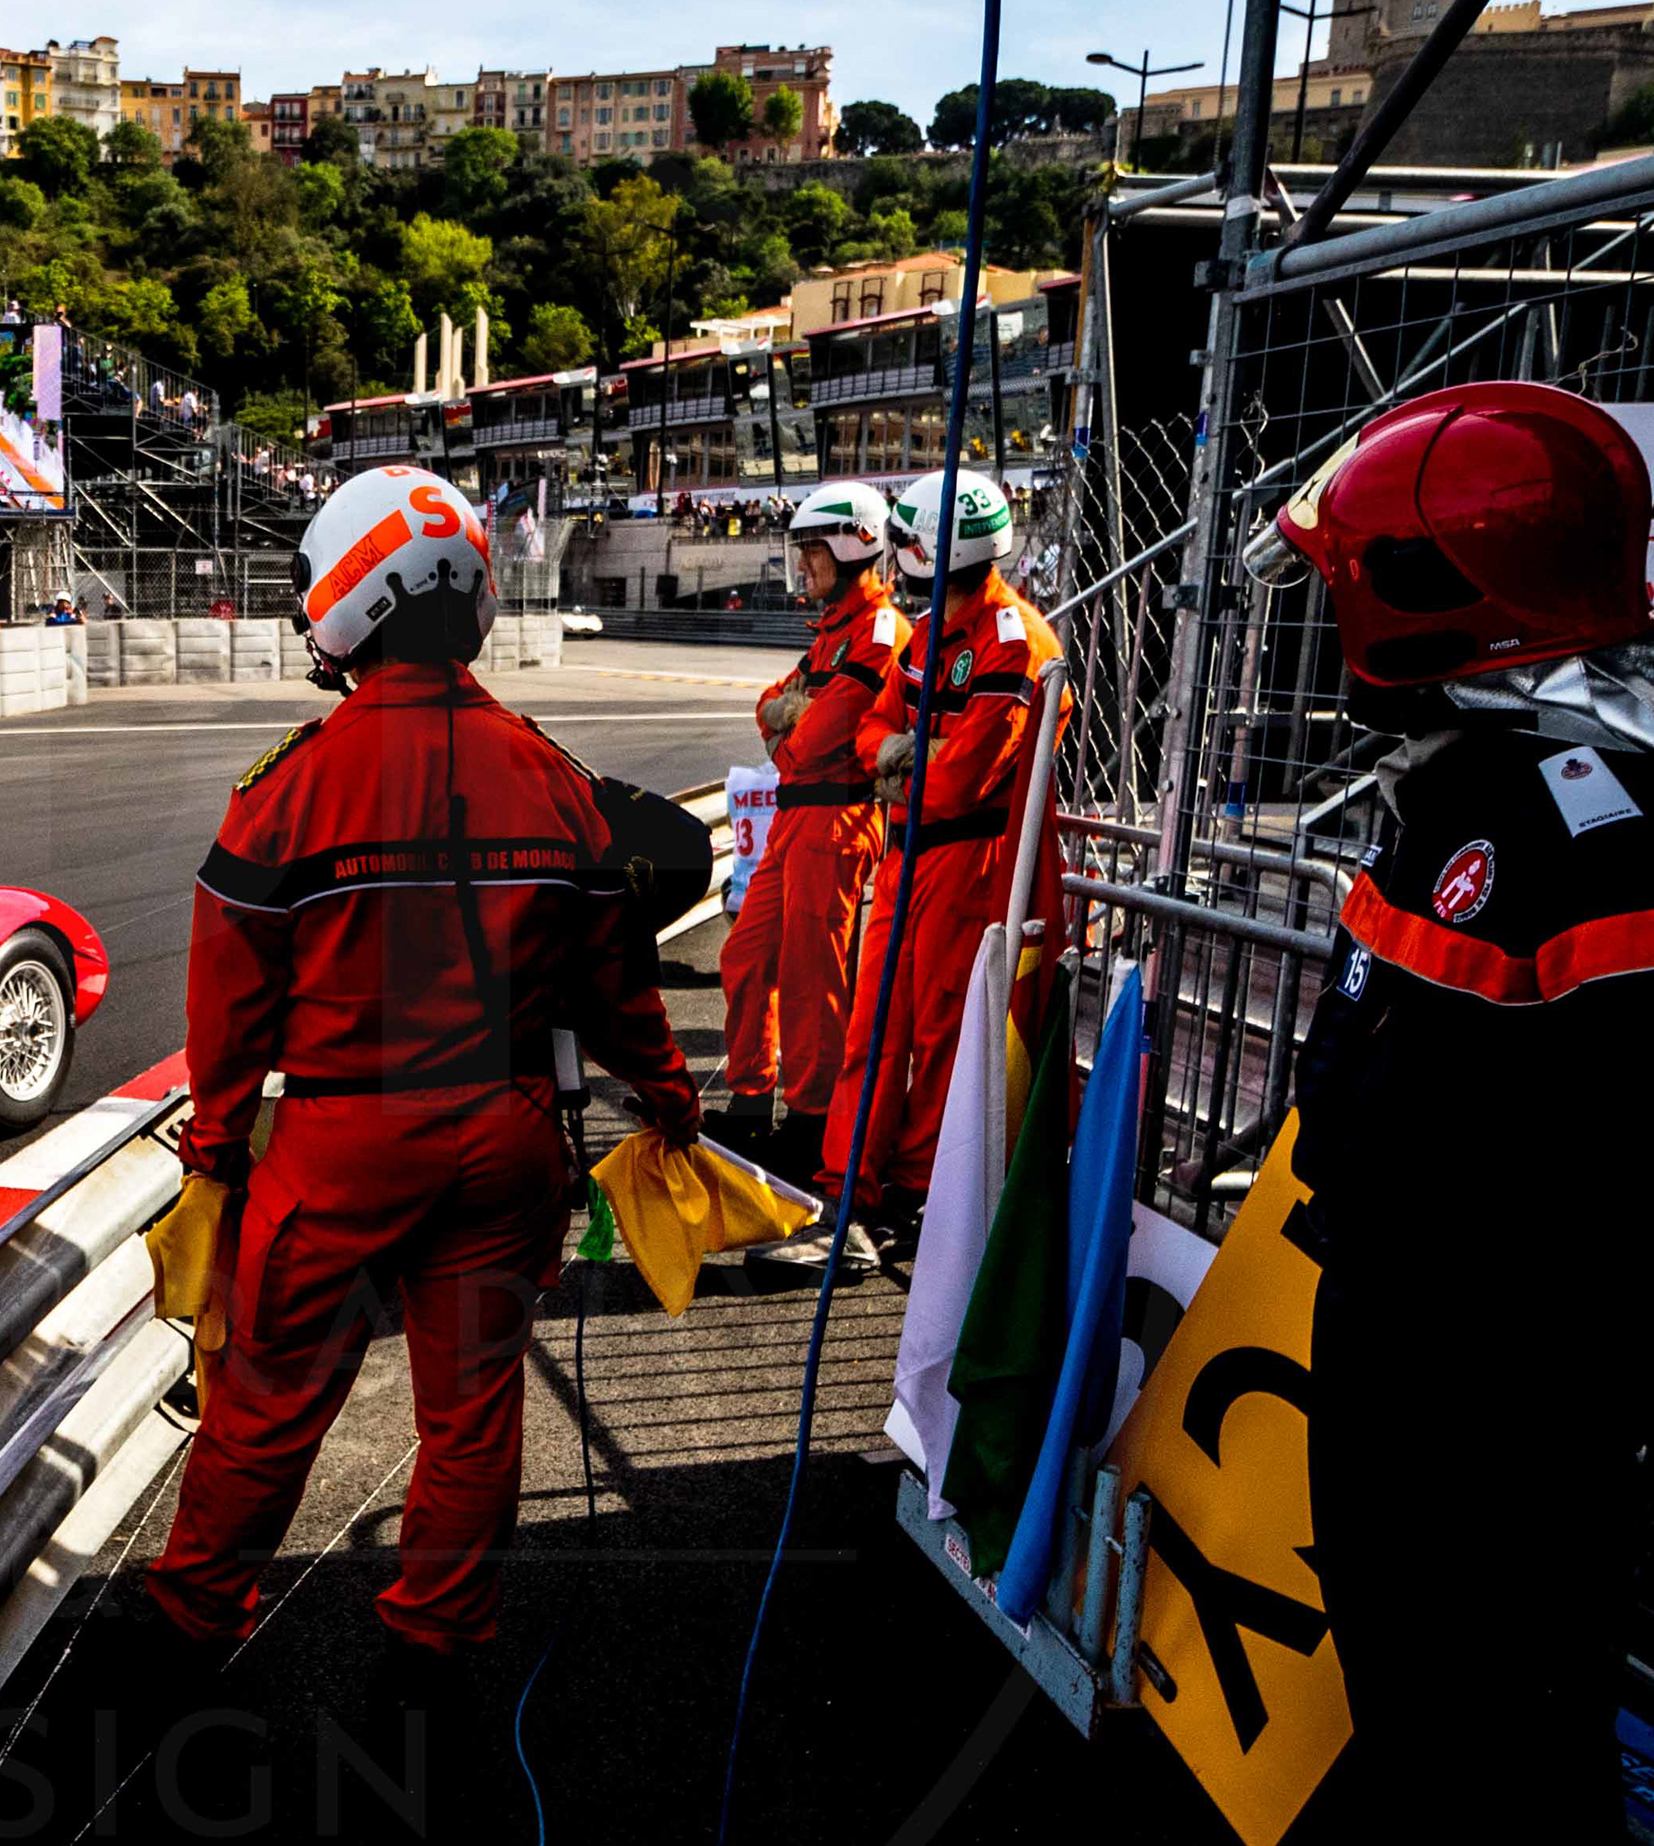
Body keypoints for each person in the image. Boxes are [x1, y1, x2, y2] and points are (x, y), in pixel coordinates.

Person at [1249, 380, 1654, 1846]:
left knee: (1509, 1709)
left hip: (1506, 1367)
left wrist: (1538, 1291)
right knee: (1422, 1686)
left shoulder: (1603, 822)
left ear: (1428, 587)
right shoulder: (1471, 789)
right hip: (1411, 1328)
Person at [144, 466, 700, 1673]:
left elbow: (229, 1009)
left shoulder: (286, 789)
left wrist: (213, 1163)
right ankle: (438, 1639)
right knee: (472, 1413)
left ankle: (189, 1620)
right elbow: (617, 991)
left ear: (350, 600)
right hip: (506, 1144)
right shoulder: (557, 779)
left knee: (267, 1403)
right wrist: (671, 1091)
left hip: (339, 1148)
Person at [822, 467, 1062, 1245]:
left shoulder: (1016, 644)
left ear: (932, 547)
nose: (895, 554)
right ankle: (846, 1184)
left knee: (941, 1035)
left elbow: (959, 783)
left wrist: (902, 757)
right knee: (872, 1029)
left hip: (969, 866)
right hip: (905, 858)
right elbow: (871, 733)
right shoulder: (928, 635)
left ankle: (916, 1192)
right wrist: (907, 751)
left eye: (904, 540)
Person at [719, 480, 905, 1205]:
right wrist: (788, 717)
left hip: (835, 820)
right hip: (799, 816)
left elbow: (808, 742)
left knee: (810, 981)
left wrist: (791, 721)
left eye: (812, 552)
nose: (804, 566)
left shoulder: (880, 634)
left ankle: (810, 1124)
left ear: (853, 546)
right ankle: (748, 1102)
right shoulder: (832, 633)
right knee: (744, 956)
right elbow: (768, 713)